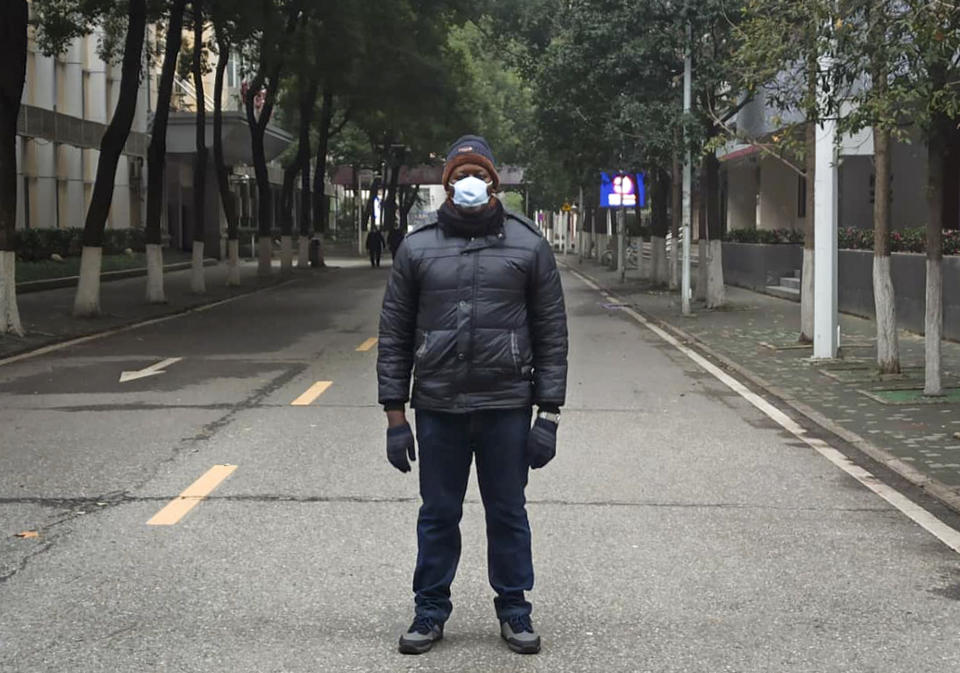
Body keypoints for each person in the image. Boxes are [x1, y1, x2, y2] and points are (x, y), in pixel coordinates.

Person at [377, 135, 569, 656]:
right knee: (438, 514)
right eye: (460, 174)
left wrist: (548, 414)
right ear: (446, 184)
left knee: (507, 511)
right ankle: (430, 610)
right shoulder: (416, 247)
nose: (469, 182)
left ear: (493, 183)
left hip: (507, 406)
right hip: (438, 407)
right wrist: (396, 416)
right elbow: (393, 334)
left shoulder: (528, 245)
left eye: (479, 174)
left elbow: (551, 333)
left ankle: (514, 609)